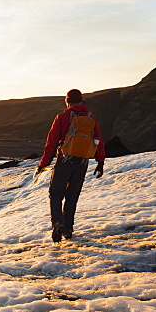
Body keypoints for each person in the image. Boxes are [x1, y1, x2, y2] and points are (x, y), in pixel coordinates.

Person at [36, 89, 106, 242]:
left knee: (55, 194)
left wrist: (43, 164)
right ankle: (68, 230)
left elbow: (51, 143)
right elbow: (98, 140)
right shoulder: (90, 118)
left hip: (64, 161)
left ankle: (57, 223)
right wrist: (100, 161)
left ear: (67, 101)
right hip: (82, 163)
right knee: (72, 196)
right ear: (81, 101)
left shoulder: (62, 117)